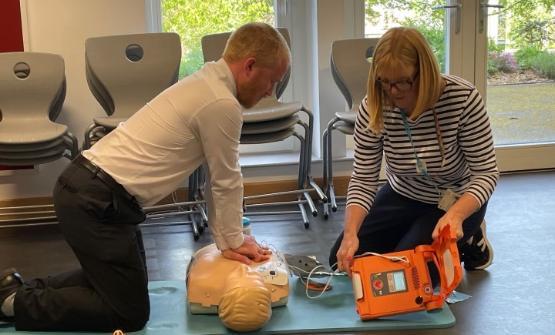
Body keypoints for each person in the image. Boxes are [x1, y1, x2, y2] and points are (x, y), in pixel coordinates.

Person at [0, 22, 291, 331]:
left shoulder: (207, 83)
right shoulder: (221, 103)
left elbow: (217, 180)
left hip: (92, 192)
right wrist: (233, 240)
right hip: (95, 201)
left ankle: (14, 290)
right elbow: (226, 179)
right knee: (129, 313)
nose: (270, 91)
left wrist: (229, 239)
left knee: (118, 279)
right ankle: (14, 305)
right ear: (249, 66)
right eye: (272, 80)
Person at [330, 27, 499, 276]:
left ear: (424, 73)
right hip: (404, 193)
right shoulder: (374, 105)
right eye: (384, 81)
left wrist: (456, 216)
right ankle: (408, 237)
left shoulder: (463, 99)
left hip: (455, 201)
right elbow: (364, 179)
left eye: (402, 82)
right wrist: (350, 234)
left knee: (410, 275)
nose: (393, 91)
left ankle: (472, 235)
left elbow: (486, 173)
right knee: (343, 264)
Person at [186, 243, 289, 332]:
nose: (245, 269)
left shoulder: (202, 280)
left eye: (239, 278)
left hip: (212, 250)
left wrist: (233, 240)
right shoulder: (276, 285)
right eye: (254, 278)